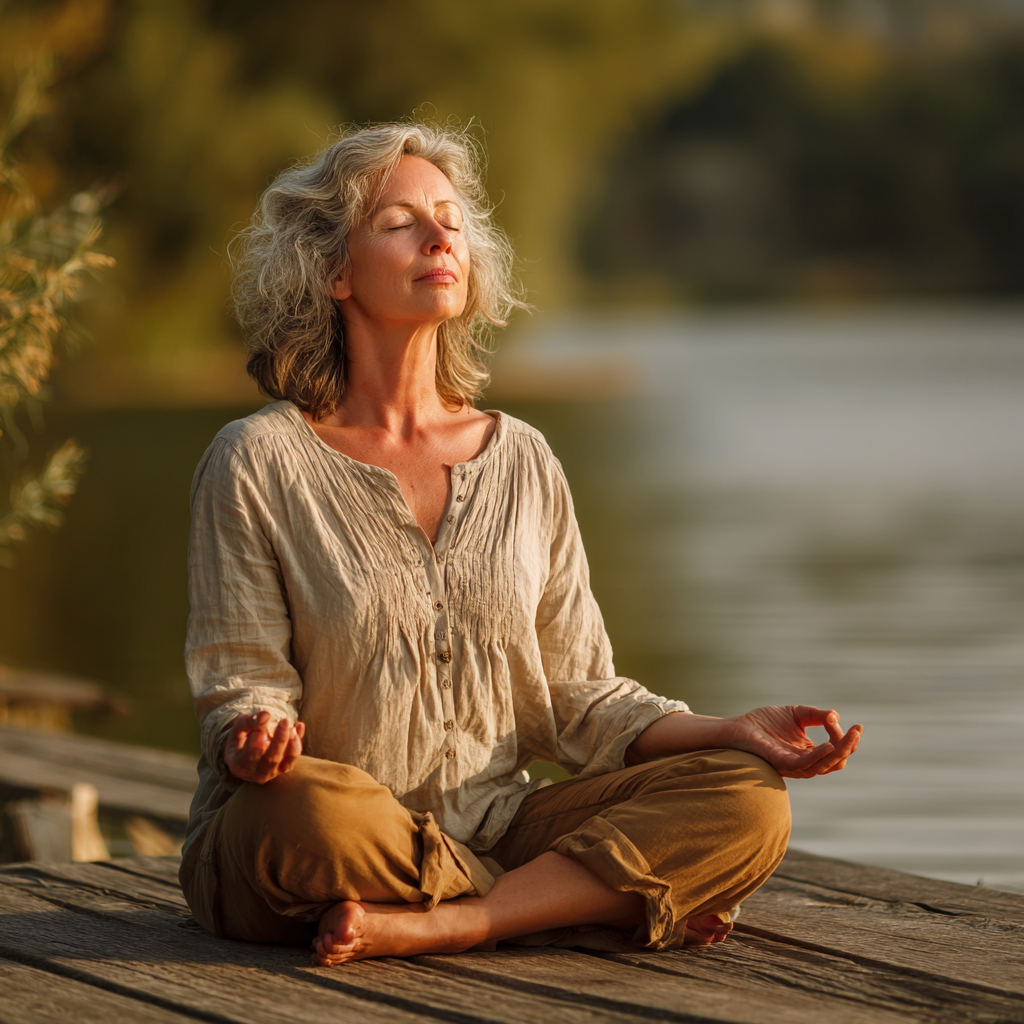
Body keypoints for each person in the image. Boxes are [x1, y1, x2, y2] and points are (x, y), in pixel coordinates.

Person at [179, 122, 862, 966]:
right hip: (332, 830)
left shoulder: (524, 460)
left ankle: (457, 920)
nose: (441, 237)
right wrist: (255, 734)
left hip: (498, 822)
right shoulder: (257, 459)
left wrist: (730, 728)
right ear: (334, 271)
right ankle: (557, 904)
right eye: (401, 223)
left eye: (452, 220)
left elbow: (579, 697)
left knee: (748, 800)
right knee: (294, 815)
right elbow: (242, 678)